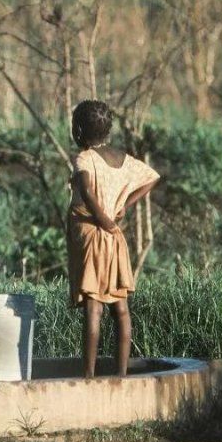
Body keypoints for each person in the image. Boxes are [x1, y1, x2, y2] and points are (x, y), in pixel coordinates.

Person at [67, 100, 160, 378]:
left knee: (93, 308)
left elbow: (86, 190)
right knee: (120, 309)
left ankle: (88, 378)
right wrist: (123, 208)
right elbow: (152, 178)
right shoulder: (123, 159)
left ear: (79, 130)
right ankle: (121, 377)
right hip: (114, 238)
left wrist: (103, 219)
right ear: (108, 131)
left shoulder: (84, 158)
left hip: (93, 236)